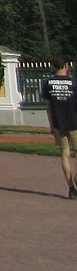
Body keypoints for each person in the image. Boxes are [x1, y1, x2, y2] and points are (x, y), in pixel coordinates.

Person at [42, 55, 77, 198]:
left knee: (65, 154)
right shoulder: (73, 82)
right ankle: (76, 178)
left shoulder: (47, 83)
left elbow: (48, 106)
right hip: (74, 122)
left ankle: (71, 187)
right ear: (66, 66)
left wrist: (51, 124)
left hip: (58, 122)